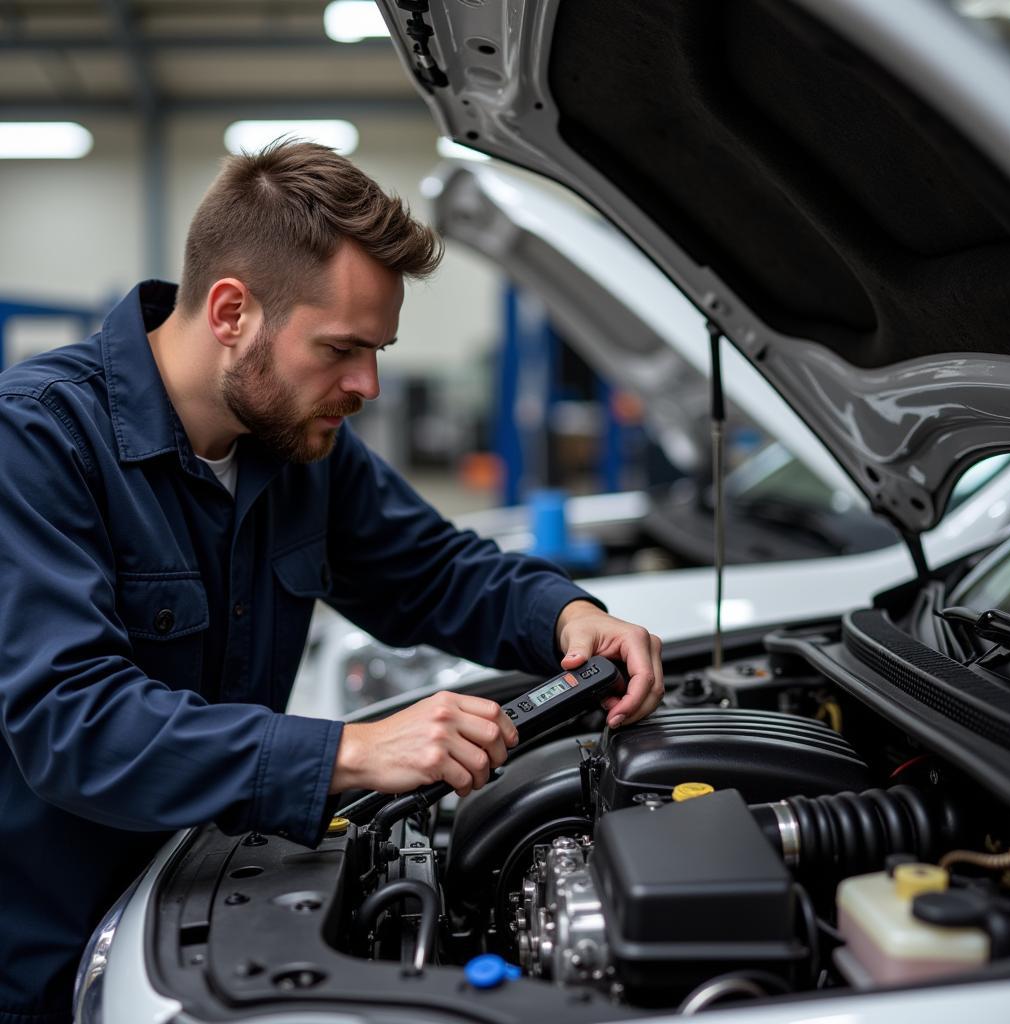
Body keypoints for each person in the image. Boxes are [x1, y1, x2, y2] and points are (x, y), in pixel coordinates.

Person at [0, 140, 663, 1022]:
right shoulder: (38, 442)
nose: (369, 384)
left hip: (202, 896)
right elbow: (74, 721)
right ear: (232, 310)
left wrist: (566, 615)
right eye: (343, 349)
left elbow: (430, 568)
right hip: (49, 958)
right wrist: (353, 751)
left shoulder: (299, 447)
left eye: (378, 350)